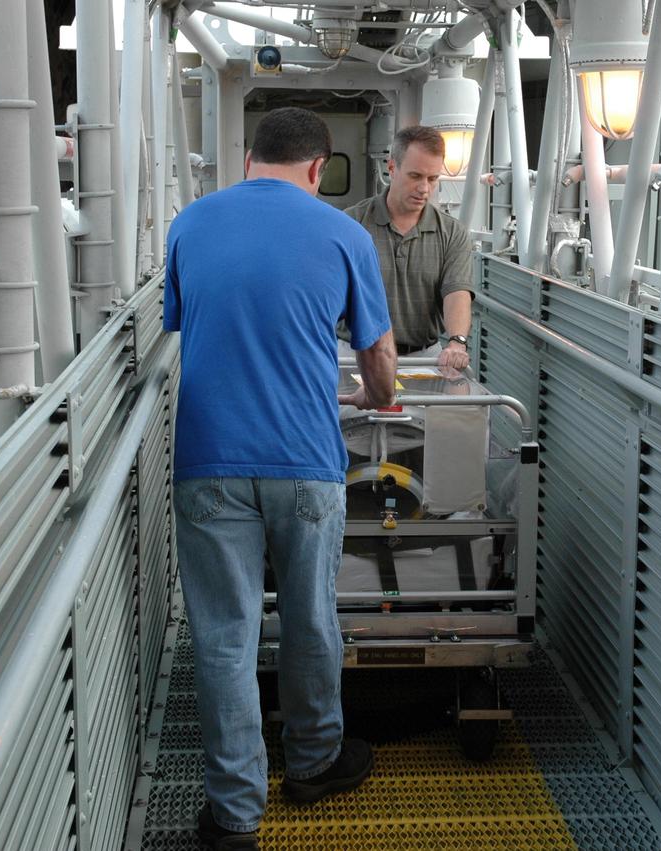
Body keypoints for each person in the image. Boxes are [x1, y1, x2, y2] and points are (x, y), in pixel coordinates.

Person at [164, 107, 398, 851]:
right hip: (305, 461)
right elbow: (379, 355)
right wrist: (377, 395)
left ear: (247, 157)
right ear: (319, 168)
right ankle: (314, 760)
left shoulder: (189, 224)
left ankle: (234, 816)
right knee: (309, 616)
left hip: (209, 459)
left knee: (225, 636)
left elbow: (182, 322)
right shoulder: (345, 234)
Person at [341, 125, 475, 372]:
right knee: (350, 413)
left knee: (434, 412)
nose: (424, 188)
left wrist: (457, 342)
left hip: (422, 359)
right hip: (355, 356)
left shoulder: (452, 233)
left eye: (433, 179)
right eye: (415, 176)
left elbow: (456, 293)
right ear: (392, 168)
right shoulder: (351, 224)